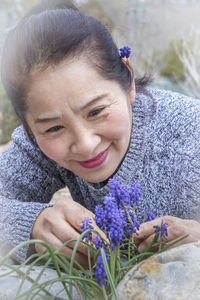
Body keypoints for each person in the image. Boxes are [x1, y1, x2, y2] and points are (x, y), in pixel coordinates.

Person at [0, 0, 200, 266]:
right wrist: (31, 224)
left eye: (96, 111)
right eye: (54, 127)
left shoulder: (191, 135)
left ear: (128, 80)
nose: (85, 144)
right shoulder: (38, 142)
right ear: (27, 124)